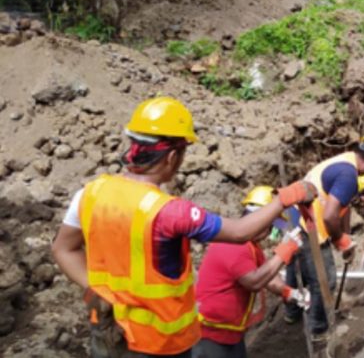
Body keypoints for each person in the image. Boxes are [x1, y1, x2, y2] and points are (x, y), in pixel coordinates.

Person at [51, 97, 316, 358]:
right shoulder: (169, 212)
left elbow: (63, 249)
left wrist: (99, 291)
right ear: (172, 157)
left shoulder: (90, 193)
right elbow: (238, 232)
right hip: (158, 343)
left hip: (108, 332)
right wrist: (286, 197)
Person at [283, 131, 364, 344]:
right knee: (325, 280)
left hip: (292, 216)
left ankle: (291, 312)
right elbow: (331, 215)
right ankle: (319, 331)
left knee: (295, 269)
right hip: (308, 227)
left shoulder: (343, 160)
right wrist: (342, 242)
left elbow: (340, 209)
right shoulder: (348, 176)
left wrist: (345, 236)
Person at [193, 186, 312, 358]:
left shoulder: (251, 246)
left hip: (231, 333)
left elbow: (269, 279)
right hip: (210, 333)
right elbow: (254, 281)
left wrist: (289, 292)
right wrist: (285, 252)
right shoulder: (234, 245)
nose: (271, 231)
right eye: (271, 225)